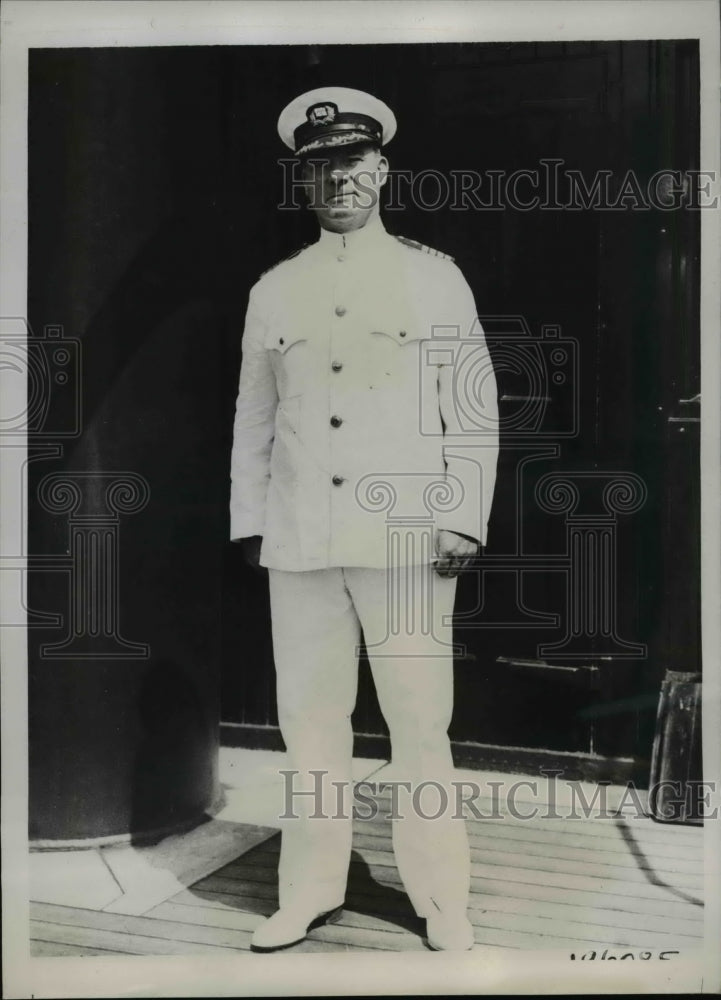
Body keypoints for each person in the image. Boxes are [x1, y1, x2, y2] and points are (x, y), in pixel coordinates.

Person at [230, 86, 498, 952]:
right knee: (308, 722)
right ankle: (307, 891)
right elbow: (255, 419)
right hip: (302, 538)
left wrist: (463, 514)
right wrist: (251, 522)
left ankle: (439, 897)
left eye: (351, 160)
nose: (337, 177)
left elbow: (473, 406)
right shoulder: (275, 289)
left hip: (408, 539)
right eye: (318, 167)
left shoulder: (432, 275)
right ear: (300, 183)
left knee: (419, 721)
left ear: (381, 169)